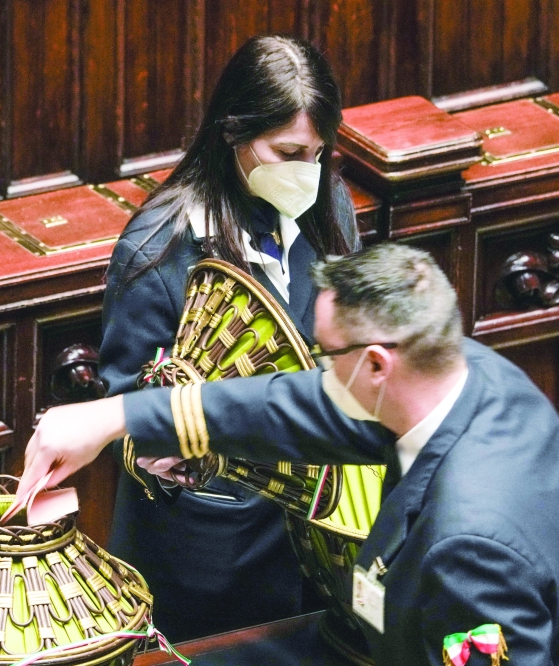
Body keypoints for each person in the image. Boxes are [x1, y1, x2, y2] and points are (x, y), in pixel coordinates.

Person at [20, 243, 559, 665]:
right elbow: (296, 404)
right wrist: (114, 417)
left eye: (326, 353)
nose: (316, 367)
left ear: (375, 364)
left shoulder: (469, 548)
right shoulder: (480, 380)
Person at [97, 34, 377, 641]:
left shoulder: (328, 202)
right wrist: (173, 449)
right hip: (207, 564)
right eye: (287, 152)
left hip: (312, 547)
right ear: (233, 134)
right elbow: (123, 413)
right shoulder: (157, 249)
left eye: (319, 153)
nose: (307, 171)